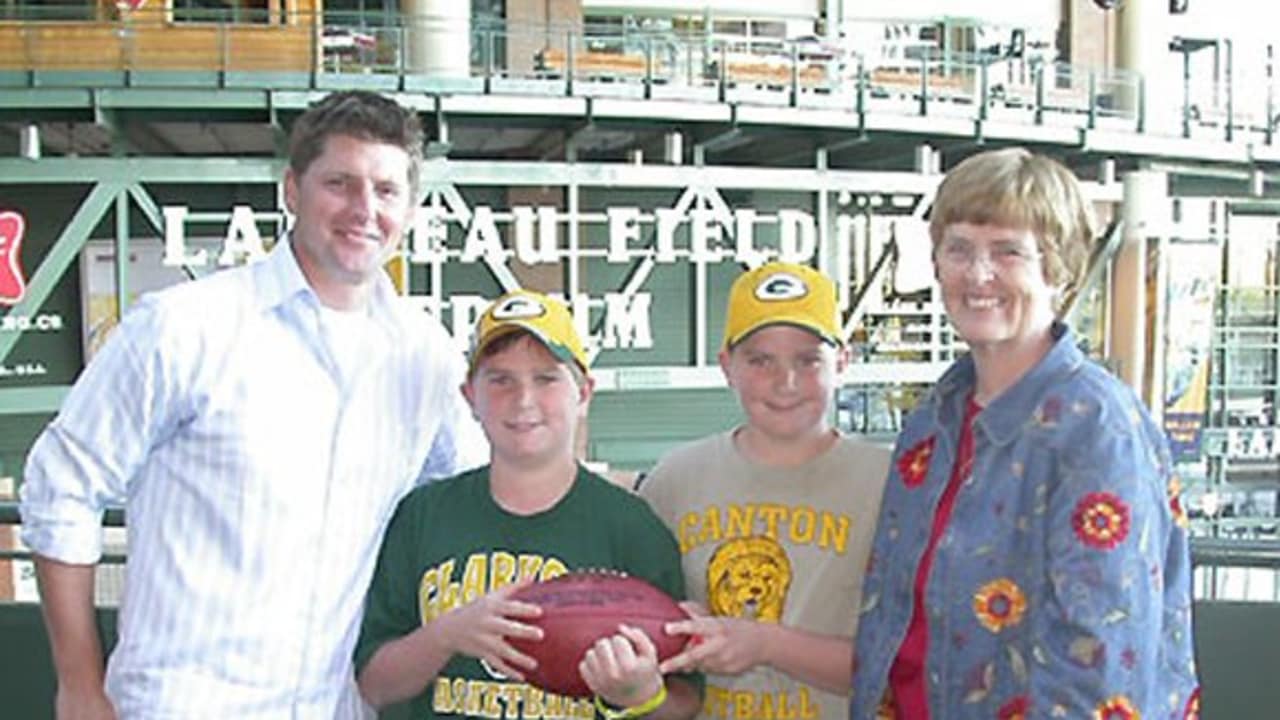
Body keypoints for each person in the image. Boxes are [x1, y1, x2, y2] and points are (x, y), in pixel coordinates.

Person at [19, 90, 486, 718]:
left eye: (386, 190)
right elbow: (62, 485)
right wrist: (79, 685)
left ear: (409, 206)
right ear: (292, 190)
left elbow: (475, 493)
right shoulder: (187, 327)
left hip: (333, 706)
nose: (364, 209)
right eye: (340, 183)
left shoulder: (425, 356)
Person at [850, 147, 1200, 718]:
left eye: (1007, 252)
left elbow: (1103, 659)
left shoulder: (1096, 428)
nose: (977, 273)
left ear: (1056, 268)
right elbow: (890, 620)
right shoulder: (932, 420)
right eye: (958, 249)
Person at [353, 289, 702, 719]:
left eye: (546, 378)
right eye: (500, 379)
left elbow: (684, 702)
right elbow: (375, 685)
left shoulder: (632, 527)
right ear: (469, 397)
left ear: (584, 392)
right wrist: (446, 635)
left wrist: (640, 694)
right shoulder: (423, 514)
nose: (523, 400)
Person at [639, 261, 890, 719]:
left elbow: (901, 662)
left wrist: (767, 644)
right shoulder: (675, 479)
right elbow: (645, 646)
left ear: (844, 363)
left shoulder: (888, 483)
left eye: (808, 359)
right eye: (760, 360)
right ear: (726, 366)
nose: (785, 382)